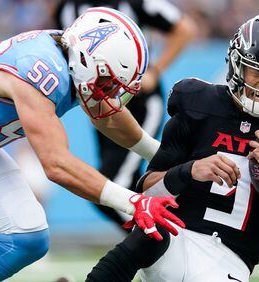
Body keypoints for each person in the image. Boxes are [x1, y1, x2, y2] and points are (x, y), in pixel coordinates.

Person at [0, 7, 184, 282]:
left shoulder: (70, 57)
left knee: (27, 236)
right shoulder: (40, 69)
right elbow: (56, 165)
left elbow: (108, 117)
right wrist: (133, 202)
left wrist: (160, 154)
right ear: (86, 59)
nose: (109, 94)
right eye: (107, 83)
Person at [86, 14, 259, 282]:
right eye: (258, 72)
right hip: (175, 239)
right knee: (149, 229)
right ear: (237, 64)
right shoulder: (197, 103)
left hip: (229, 262)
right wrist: (190, 171)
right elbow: (147, 191)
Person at [48, 0, 196, 227]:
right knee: (120, 183)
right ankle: (169, 233)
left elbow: (184, 28)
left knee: (113, 182)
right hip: (99, 107)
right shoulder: (67, 8)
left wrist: (155, 71)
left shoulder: (135, 3)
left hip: (139, 104)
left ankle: (160, 245)